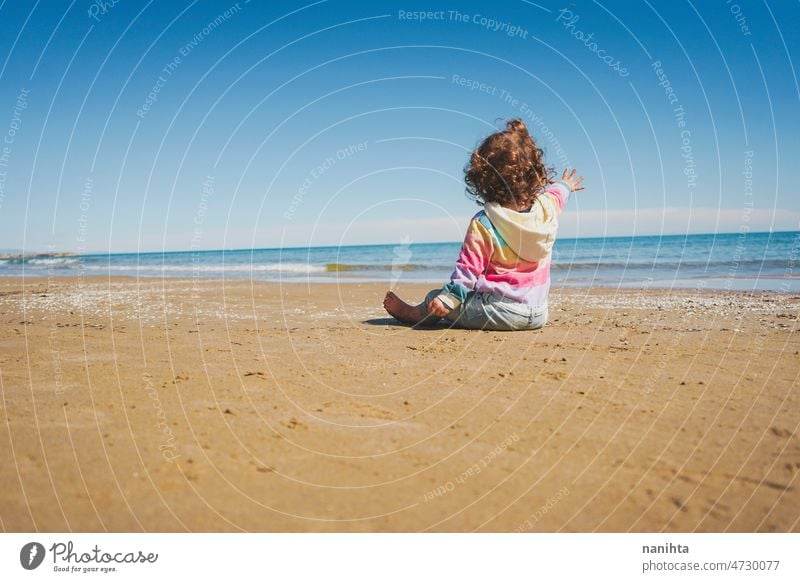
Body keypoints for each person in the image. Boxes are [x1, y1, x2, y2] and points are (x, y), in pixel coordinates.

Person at [383, 118, 584, 331]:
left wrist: (448, 299)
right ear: (535, 173)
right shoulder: (547, 209)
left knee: (436, 297)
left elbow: (468, 271)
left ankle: (412, 314)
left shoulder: (485, 223)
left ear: (482, 180)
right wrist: (566, 185)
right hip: (537, 314)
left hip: (500, 312)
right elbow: (557, 194)